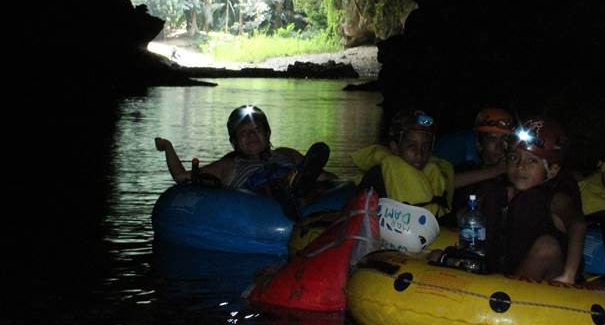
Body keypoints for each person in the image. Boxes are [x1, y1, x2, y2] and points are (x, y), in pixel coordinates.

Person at [155, 105, 329, 214]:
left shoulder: (287, 154)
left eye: (257, 130)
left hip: (294, 181)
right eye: (244, 132)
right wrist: (167, 147)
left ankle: (297, 188)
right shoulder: (229, 165)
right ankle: (287, 190)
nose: (252, 135)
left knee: (304, 179)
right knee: (267, 184)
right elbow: (181, 177)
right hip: (258, 195)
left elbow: (327, 180)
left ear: (267, 135)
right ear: (234, 141)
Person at [481, 115, 587, 283]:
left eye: (532, 161)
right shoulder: (497, 195)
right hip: (504, 276)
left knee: (546, 247)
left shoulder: (555, 198)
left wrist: (569, 274)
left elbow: (578, 224)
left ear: (552, 171)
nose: (520, 166)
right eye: (514, 158)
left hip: (544, 287)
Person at [353, 110, 505, 219]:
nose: (420, 153)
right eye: (411, 146)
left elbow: (440, 216)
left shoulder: (434, 174)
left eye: (426, 146)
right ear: (395, 147)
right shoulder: (378, 176)